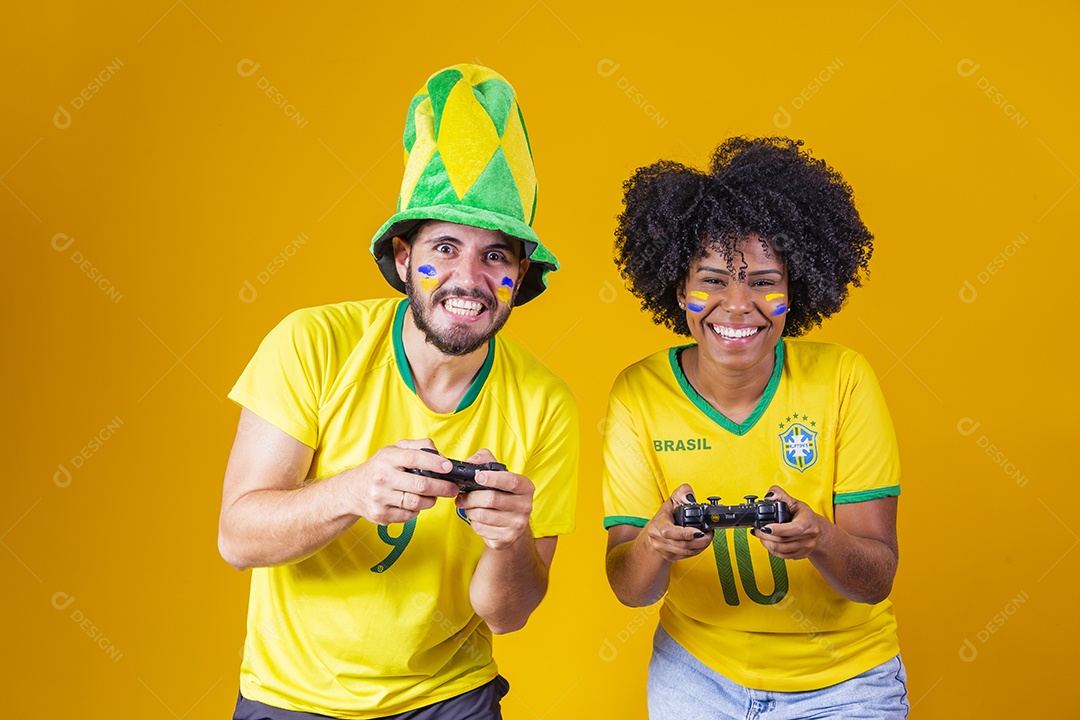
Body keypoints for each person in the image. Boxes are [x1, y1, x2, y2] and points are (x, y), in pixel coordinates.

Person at [218, 64, 578, 720]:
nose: (469, 278)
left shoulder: (546, 403)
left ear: (520, 274)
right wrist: (352, 491)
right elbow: (238, 538)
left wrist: (510, 540)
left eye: (496, 256)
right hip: (291, 700)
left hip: (451, 700)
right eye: (446, 247)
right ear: (405, 257)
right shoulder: (311, 343)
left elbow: (510, 615)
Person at [602, 137, 907, 719]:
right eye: (712, 280)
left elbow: (875, 579)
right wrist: (656, 545)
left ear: (797, 291)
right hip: (696, 675)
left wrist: (820, 539)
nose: (739, 305)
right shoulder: (637, 393)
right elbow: (628, 587)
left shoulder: (842, 379)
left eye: (766, 282)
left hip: (844, 682)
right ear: (678, 289)